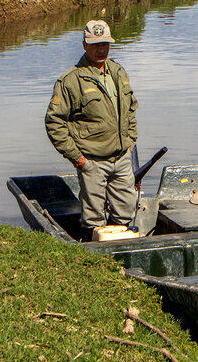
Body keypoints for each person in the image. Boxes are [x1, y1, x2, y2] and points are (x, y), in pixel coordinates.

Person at [45, 20, 138, 231]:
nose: (101, 49)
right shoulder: (70, 81)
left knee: (126, 210)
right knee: (93, 218)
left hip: (122, 158)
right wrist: (78, 159)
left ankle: (119, 253)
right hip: (92, 161)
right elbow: (54, 122)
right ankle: (93, 256)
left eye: (105, 44)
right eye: (96, 44)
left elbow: (131, 108)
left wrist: (131, 141)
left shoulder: (118, 72)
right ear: (85, 45)